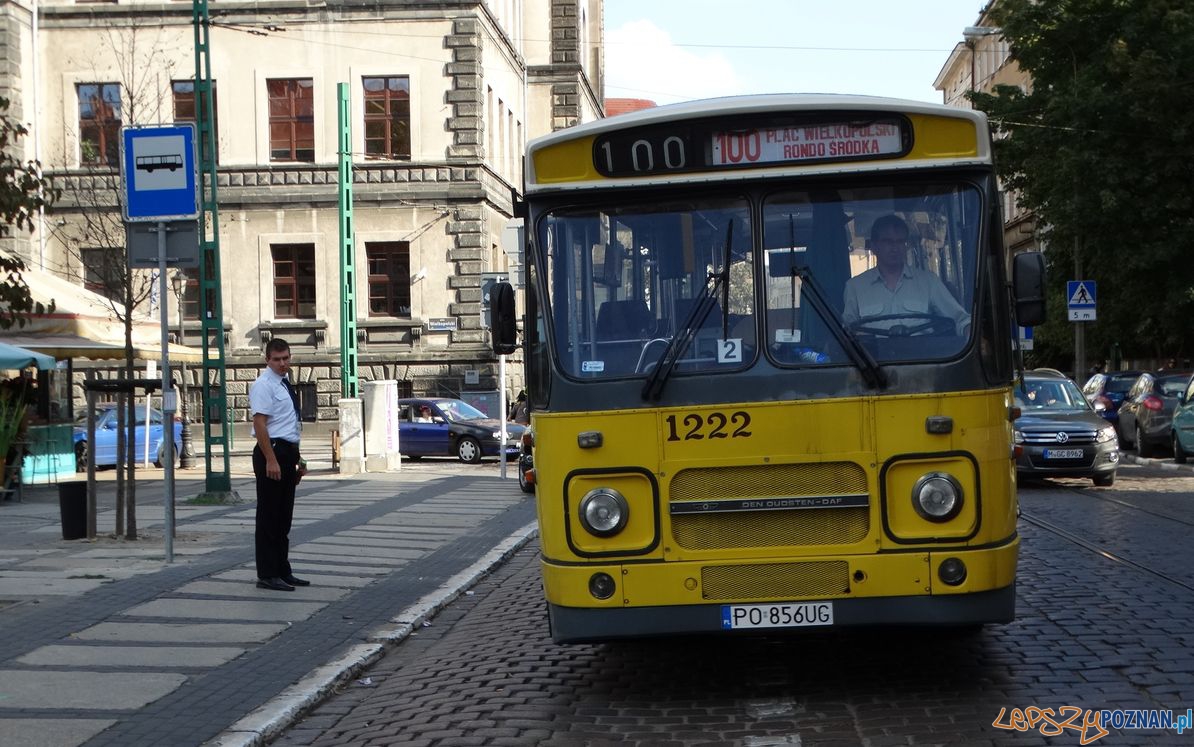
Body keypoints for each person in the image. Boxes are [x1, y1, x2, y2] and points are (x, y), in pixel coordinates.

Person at [842, 214, 970, 335]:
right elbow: (846, 332)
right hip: (871, 357)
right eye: (888, 241)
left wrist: (970, 332)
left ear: (906, 246)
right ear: (874, 246)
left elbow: (960, 320)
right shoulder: (855, 287)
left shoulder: (929, 282)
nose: (894, 248)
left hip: (925, 356)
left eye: (900, 241)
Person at [249, 338, 308, 592]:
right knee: (269, 517)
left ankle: (283, 570)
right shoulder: (264, 385)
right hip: (271, 451)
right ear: (267, 360)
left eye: (286, 358)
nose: (283, 363)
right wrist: (271, 460)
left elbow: (289, 424)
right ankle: (267, 573)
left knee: (284, 518)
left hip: (287, 452)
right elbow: (260, 424)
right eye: (277, 359)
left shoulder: (285, 384)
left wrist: (299, 458)